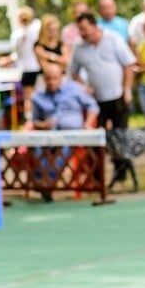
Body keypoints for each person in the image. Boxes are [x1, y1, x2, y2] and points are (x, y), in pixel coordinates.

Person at [28, 63, 99, 202]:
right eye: (48, 78)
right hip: (47, 135)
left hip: (70, 134)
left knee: (64, 148)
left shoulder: (74, 89)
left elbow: (93, 107)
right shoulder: (38, 97)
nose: (52, 82)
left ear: (61, 77)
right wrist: (43, 124)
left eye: (55, 78)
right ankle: (43, 180)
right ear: (44, 79)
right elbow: (34, 122)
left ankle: (47, 183)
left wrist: (87, 123)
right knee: (36, 149)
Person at [69, 12, 136, 130]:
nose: (82, 33)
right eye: (80, 30)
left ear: (94, 26)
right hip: (95, 100)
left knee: (120, 132)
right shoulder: (78, 47)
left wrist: (127, 89)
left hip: (118, 96)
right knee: (99, 135)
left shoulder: (114, 38)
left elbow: (128, 64)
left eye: (85, 29)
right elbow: (74, 73)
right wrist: (84, 86)